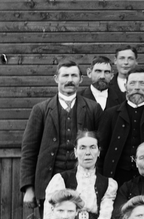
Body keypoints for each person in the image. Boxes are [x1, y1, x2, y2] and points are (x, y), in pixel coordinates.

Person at [21, 61, 104, 209]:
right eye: (65, 75)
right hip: (48, 182)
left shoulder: (93, 109)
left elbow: (101, 147)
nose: (69, 80)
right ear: (56, 79)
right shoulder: (40, 110)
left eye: (74, 75)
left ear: (81, 79)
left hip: (84, 183)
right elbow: (29, 151)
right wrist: (29, 188)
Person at [42, 130, 116, 219]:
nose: (88, 153)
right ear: (76, 152)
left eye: (92, 147)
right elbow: (50, 218)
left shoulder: (108, 184)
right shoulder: (60, 180)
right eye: (82, 148)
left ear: (98, 152)